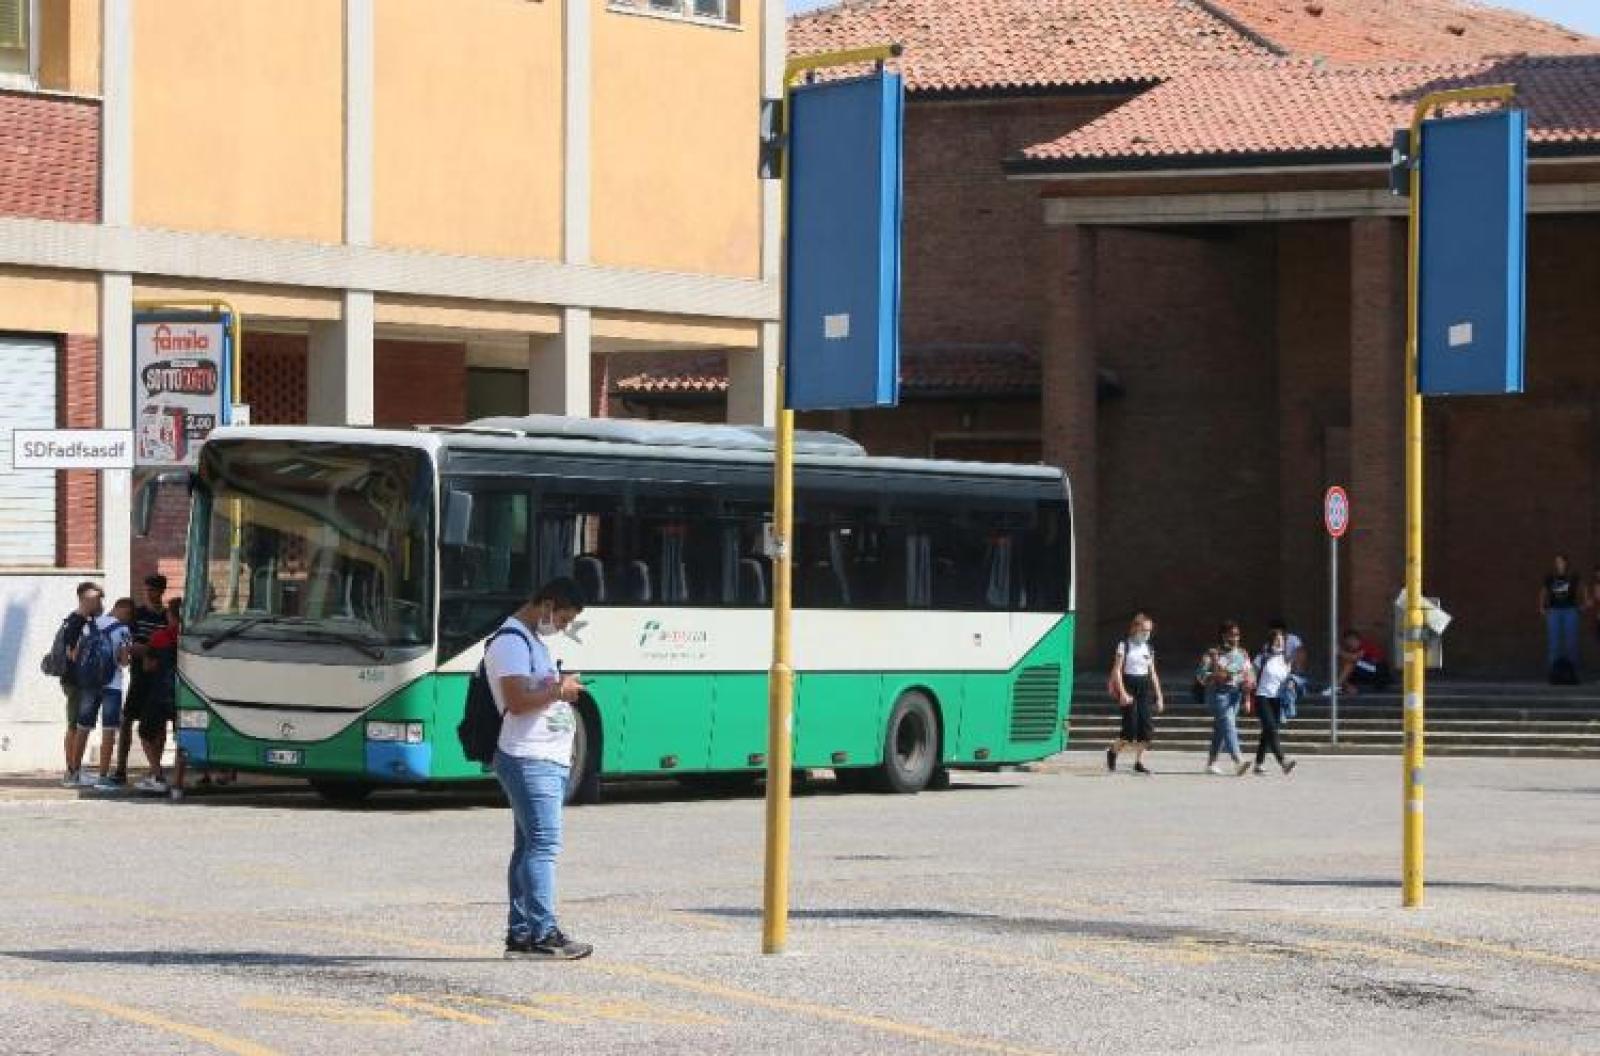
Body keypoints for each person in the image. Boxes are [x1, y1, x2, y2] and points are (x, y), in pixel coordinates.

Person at [486, 578, 592, 960]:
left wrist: (560, 686)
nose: (562, 627)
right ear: (546, 605)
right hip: (529, 757)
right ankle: (544, 933)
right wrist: (559, 690)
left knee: (529, 846)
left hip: (543, 757)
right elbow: (516, 701)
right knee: (544, 844)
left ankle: (522, 936)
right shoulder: (511, 642)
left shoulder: (530, 640)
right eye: (562, 618)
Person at [114, 574, 169, 787]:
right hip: (139, 675)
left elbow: (166, 647)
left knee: (158, 723)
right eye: (146, 589)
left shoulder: (166, 617)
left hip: (159, 678)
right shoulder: (138, 615)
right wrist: (150, 650)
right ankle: (121, 768)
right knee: (126, 719)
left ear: (161, 591)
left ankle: (154, 768)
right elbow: (130, 644)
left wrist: (147, 650)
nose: (148, 593)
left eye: (152, 590)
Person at [55, 581, 103, 787]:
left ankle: (74, 770)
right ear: (84, 599)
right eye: (96, 599)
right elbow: (73, 655)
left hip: (77, 681)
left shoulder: (81, 621)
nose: (100, 603)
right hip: (76, 682)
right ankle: (72, 773)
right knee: (75, 726)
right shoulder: (77, 623)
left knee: (76, 725)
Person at [133, 596, 182, 793]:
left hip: (161, 692)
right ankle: (178, 784)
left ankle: (158, 774)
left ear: (170, 615)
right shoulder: (190, 637)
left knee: (145, 732)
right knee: (182, 740)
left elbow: (148, 666)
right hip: (186, 694)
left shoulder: (160, 636)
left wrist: (144, 653)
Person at [1106, 611, 1163, 775]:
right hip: (1128, 685)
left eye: (1149, 630)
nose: (1147, 634)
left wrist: (1159, 696)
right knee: (1129, 730)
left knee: (1146, 728)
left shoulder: (1149, 648)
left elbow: (1153, 673)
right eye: (1144, 630)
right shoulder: (1124, 645)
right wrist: (1123, 692)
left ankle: (1139, 762)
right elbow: (1117, 670)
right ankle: (1113, 751)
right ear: (1135, 628)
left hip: (1143, 686)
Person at [88, 598, 135, 791]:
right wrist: (127, 658)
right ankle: (102, 776)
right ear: (125, 611)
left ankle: (73, 773)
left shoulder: (93, 623)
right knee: (108, 730)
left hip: (90, 684)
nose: (129, 620)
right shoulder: (124, 630)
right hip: (112, 686)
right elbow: (124, 662)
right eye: (129, 616)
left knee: (82, 727)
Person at [1198, 620, 1254, 776]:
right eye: (1232, 635)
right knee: (1228, 724)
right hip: (1218, 694)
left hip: (1236, 694)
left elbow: (1249, 673)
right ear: (1224, 635)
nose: (1235, 638)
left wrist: (1248, 692)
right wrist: (1216, 675)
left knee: (1221, 729)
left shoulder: (1242, 653)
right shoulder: (1213, 653)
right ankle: (1238, 761)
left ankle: (1211, 763)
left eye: (1237, 635)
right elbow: (1200, 675)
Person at [1248, 629, 1299, 776]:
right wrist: (1248, 685)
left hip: (1277, 699)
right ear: (1270, 642)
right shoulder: (1263, 657)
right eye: (1277, 640)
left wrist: (1291, 683)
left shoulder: (1286, 660)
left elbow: (1287, 678)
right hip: (1262, 696)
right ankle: (1283, 761)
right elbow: (1251, 673)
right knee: (1271, 728)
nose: (1280, 643)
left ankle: (1258, 764)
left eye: (1282, 640)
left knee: (1267, 732)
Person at [1540, 554, 1581, 682]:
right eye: (1557, 562)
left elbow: (1583, 589)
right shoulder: (1550, 577)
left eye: (1561, 561)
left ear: (1566, 563)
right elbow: (1543, 591)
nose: (1559, 564)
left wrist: (1583, 604)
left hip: (1570, 610)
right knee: (1554, 643)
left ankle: (1573, 673)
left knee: (1571, 642)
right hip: (1554, 611)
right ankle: (1553, 673)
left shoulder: (1572, 576)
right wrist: (1541, 606)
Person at [1335, 629, 1391, 694]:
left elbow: (1355, 658)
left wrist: (1340, 652)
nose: (1349, 646)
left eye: (1350, 643)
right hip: (1368, 673)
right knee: (1348, 664)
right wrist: (1347, 685)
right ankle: (1341, 686)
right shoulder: (1354, 651)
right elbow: (1346, 670)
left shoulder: (1365, 645)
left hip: (1378, 671)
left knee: (1352, 662)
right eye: (1348, 645)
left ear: (1354, 639)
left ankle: (1336, 686)